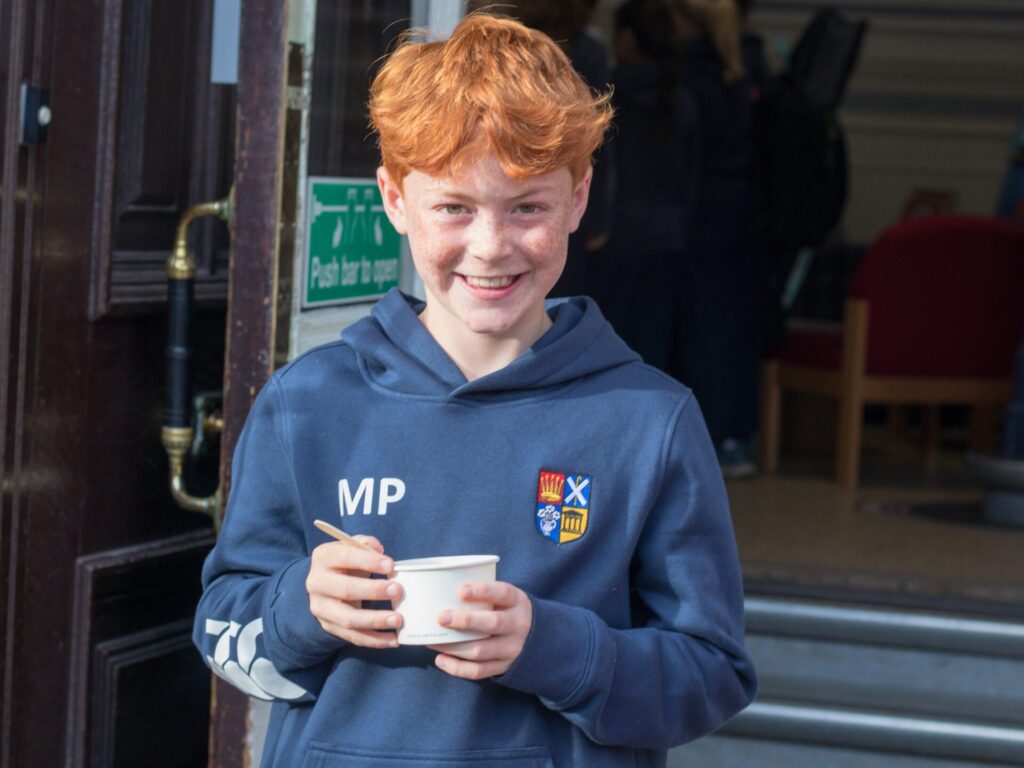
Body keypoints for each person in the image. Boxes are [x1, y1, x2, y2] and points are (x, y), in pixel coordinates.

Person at [193, 14, 756, 768]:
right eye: (454, 207)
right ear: (395, 199)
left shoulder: (648, 420)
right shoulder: (309, 404)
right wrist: (301, 608)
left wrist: (554, 648)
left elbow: (713, 677)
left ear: (580, 198)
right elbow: (222, 636)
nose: (491, 246)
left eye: (528, 207)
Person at [670, 0, 769, 477]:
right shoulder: (753, 67)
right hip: (747, 217)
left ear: (688, 19)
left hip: (701, 218)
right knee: (735, 327)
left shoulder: (687, 74)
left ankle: (707, 443)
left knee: (701, 330)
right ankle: (736, 438)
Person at [597, 0, 700, 372]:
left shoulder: (606, 98)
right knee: (651, 348)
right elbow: (691, 178)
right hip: (667, 237)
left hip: (615, 238)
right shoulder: (681, 99)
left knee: (605, 343)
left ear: (625, 38)